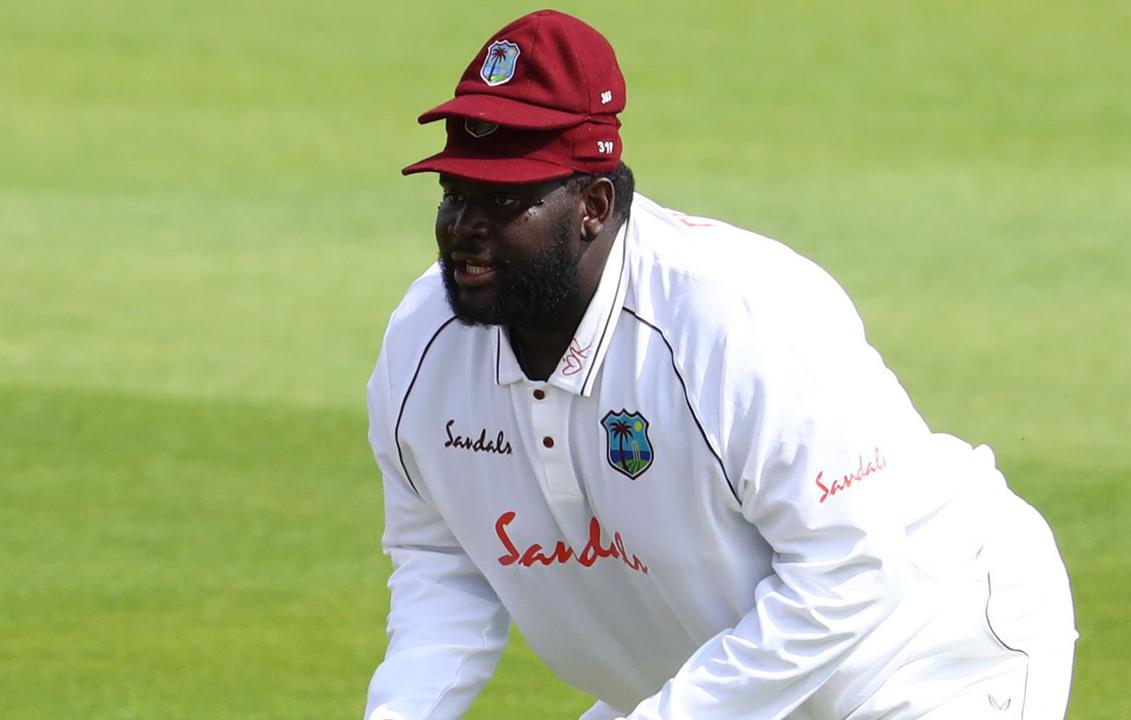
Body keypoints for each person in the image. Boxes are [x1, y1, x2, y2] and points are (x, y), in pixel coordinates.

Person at [364, 9, 1076, 720]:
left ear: (594, 205)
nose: (465, 228)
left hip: (925, 654)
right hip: (713, 682)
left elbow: (851, 572)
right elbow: (444, 564)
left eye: (504, 199)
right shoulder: (423, 345)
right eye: (454, 193)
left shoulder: (735, 321)